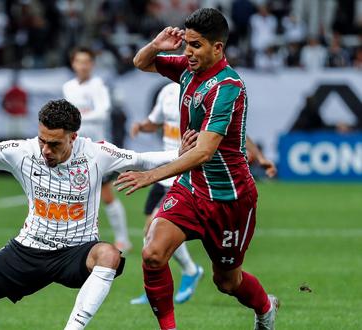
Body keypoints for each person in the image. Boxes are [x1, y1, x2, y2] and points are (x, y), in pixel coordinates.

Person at [0, 99, 197, 330]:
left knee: (109, 255)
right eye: (42, 140)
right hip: (29, 248)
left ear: (73, 137)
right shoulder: (21, 152)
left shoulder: (98, 154)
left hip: (76, 251)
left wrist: (181, 154)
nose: (45, 150)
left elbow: (141, 159)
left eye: (54, 144)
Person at [116, 8, 279, 330]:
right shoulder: (189, 70)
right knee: (152, 254)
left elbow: (204, 151)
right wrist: (157, 44)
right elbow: (141, 62)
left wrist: (150, 176)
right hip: (191, 188)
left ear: (217, 48)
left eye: (196, 45)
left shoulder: (227, 86)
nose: (187, 52)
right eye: (186, 44)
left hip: (229, 198)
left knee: (227, 282)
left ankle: (265, 308)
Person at [129, 82, 204, 305]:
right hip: (163, 173)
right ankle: (164, 283)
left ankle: (188, 272)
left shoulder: (203, 93)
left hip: (183, 172)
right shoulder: (167, 92)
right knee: (150, 232)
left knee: (153, 227)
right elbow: (155, 122)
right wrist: (142, 126)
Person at [63, 47, 132, 253]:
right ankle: (77, 237)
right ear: (73, 64)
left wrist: (75, 119)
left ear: (92, 64)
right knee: (74, 195)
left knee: (106, 194)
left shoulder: (98, 85)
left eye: (86, 62)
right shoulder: (68, 87)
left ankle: (122, 239)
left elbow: (103, 113)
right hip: (74, 149)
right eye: (79, 61)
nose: (82, 66)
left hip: (97, 149)